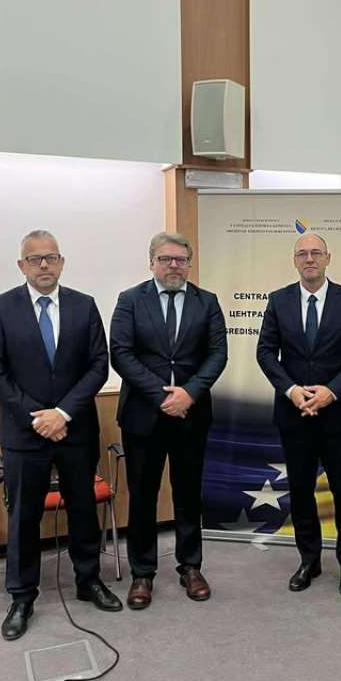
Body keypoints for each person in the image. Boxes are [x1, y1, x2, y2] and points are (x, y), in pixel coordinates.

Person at [0, 230, 122, 641]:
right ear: (21, 266)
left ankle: (88, 580)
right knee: (24, 516)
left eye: (51, 257)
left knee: (83, 509)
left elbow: (98, 366)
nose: (44, 265)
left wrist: (62, 413)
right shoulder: (0, 308)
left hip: (75, 430)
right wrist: (37, 418)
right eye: (35, 259)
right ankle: (22, 596)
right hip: (24, 435)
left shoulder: (84, 305)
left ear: (62, 263)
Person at [109, 232, 227, 608]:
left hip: (191, 415)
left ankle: (190, 566)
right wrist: (163, 397)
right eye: (165, 259)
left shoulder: (207, 302)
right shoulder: (130, 300)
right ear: (152, 263)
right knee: (142, 496)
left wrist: (189, 394)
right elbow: (121, 353)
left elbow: (218, 354)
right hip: (143, 416)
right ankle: (142, 573)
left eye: (180, 259)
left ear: (189, 264)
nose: (173, 265)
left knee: (188, 494)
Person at [256, 233, 341, 596]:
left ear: (328, 258)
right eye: (303, 254)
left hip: (338, 415)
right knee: (301, 490)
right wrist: (291, 390)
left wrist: (331, 391)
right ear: (295, 261)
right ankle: (309, 560)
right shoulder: (278, 300)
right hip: (295, 415)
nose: (310, 259)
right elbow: (265, 352)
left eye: (316, 253)